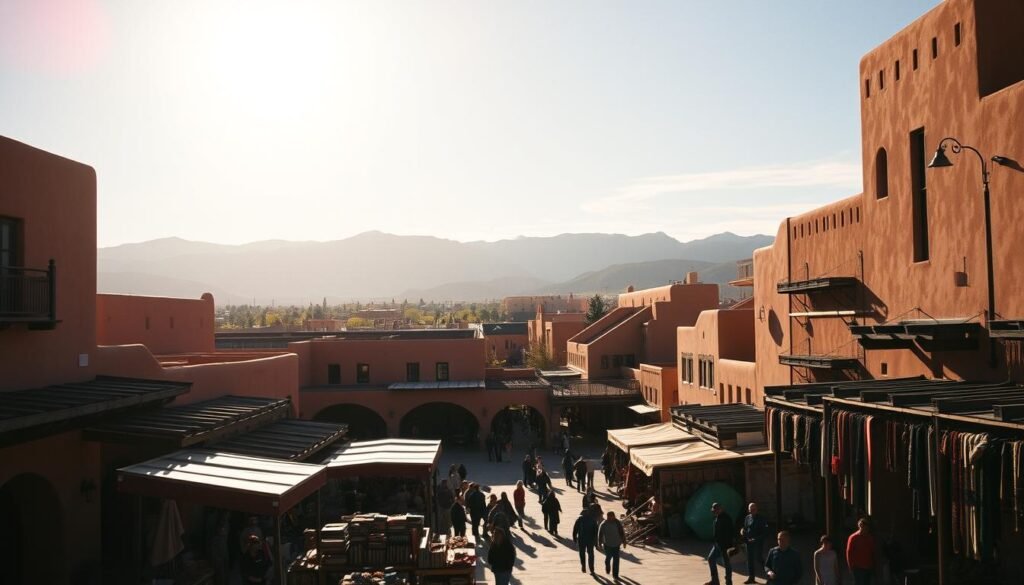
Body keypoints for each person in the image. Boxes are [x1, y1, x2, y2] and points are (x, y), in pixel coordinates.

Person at [705, 502, 735, 585]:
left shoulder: (726, 518)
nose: (714, 512)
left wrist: (728, 546)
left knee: (727, 564)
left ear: (720, 509)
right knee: (711, 559)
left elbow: (731, 532)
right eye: (713, 511)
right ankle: (715, 580)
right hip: (717, 545)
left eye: (716, 510)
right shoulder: (717, 518)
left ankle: (728, 582)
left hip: (725, 546)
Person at [742, 502, 769, 584]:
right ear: (748, 510)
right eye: (751, 510)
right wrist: (743, 531)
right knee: (749, 560)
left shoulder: (761, 519)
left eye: (754, 509)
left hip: (757, 542)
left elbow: (765, 533)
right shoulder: (747, 518)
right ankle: (751, 577)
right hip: (749, 542)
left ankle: (769, 572)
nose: (752, 511)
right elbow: (746, 528)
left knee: (759, 558)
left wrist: (756, 539)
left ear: (757, 510)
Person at [846, 518, 877, 585]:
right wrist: (850, 566)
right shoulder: (853, 538)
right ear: (860, 527)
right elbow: (849, 553)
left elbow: (872, 551)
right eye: (863, 527)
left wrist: (873, 565)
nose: (865, 529)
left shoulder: (870, 538)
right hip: (857, 568)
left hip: (868, 566)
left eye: (866, 528)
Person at [598, 510, 626, 580]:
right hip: (607, 544)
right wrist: (599, 543)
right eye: (609, 517)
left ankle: (615, 575)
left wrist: (624, 541)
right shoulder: (603, 524)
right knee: (608, 558)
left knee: (616, 560)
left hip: (616, 544)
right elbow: (600, 534)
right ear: (607, 517)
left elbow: (622, 532)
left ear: (614, 516)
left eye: (612, 517)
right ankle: (607, 565)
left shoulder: (617, 523)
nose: (611, 518)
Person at [573, 507, 599, 574]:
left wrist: (574, 538)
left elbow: (575, 529)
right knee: (590, 554)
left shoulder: (579, 519)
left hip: (582, 539)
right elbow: (596, 531)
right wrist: (596, 541)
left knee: (582, 553)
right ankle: (591, 568)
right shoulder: (593, 520)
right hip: (590, 540)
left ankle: (583, 566)